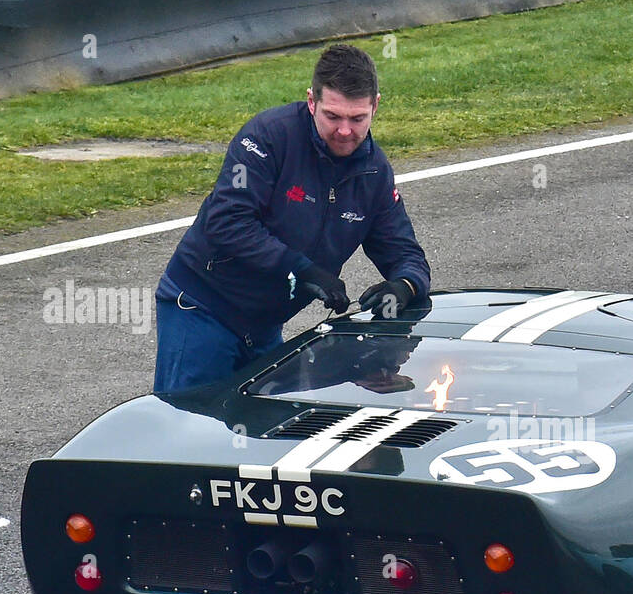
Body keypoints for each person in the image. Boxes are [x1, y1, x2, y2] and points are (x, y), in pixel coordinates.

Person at [153, 44, 430, 393]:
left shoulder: (375, 173)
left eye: (357, 119)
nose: (345, 131)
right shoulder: (266, 137)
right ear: (311, 101)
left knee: (258, 433)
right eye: (333, 116)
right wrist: (300, 269)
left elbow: (407, 256)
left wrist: (403, 288)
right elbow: (227, 222)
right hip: (203, 308)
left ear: (375, 105)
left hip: (266, 326)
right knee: (189, 427)